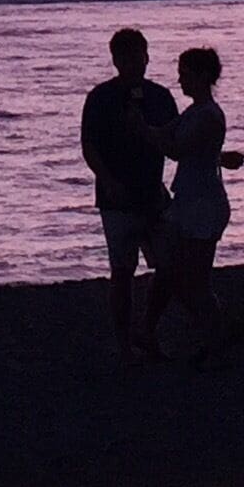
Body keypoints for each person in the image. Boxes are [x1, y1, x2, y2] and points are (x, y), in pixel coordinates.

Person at [139, 46, 244, 364]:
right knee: (168, 270)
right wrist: (144, 129)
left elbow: (177, 149)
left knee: (195, 281)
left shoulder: (209, 115)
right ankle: (150, 330)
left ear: (203, 76)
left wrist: (142, 131)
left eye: (185, 74)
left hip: (203, 205)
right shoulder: (195, 111)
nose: (180, 80)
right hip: (187, 201)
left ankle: (215, 340)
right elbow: (168, 135)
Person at [79, 26, 178, 360]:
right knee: (122, 272)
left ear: (147, 57)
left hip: (153, 194)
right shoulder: (100, 98)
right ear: (116, 60)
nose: (136, 63)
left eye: (140, 56)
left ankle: (146, 328)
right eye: (128, 57)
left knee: (170, 265)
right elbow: (89, 145)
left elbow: (175, 141)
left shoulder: (160, 96)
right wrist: (108, 181)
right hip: (117, 199)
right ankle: (125, 344)